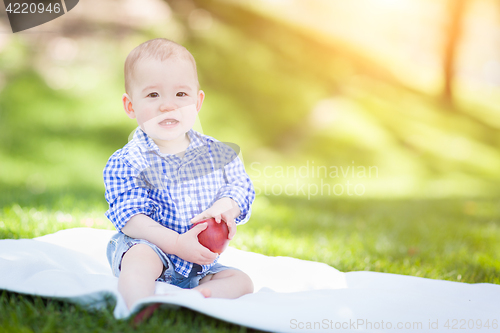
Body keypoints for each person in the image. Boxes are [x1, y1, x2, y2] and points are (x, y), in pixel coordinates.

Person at [103, 38, 255, 310]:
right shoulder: (128, 160)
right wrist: (174, 243)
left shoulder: (215, 153)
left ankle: (193, 299)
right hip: (153, 246)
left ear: (197, 102)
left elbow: (239, 187)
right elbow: (132, 219)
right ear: (130, 106)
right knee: (139, 259)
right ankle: (138, 305)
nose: (168, 105)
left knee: (241, 281)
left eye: (180, 95)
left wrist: (223, 208)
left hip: (197, 261)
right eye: (153, 95)